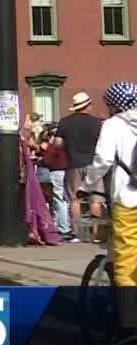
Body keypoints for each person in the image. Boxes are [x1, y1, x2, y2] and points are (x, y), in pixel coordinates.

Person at [86, 82, 137, 338]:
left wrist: (87, 186)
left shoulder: (114, 125)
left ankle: (128, 326)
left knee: (126, 259)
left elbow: (103, 160)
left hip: (128, 200)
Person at [55, 91, 105, 241]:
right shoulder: (97, 123)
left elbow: (57, 143)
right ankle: (96, 234)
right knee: (95, 199)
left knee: (74, 200)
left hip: (73, 164)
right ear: (88, 106)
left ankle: (77, 233)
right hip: (93, 164)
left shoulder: (65, 122)